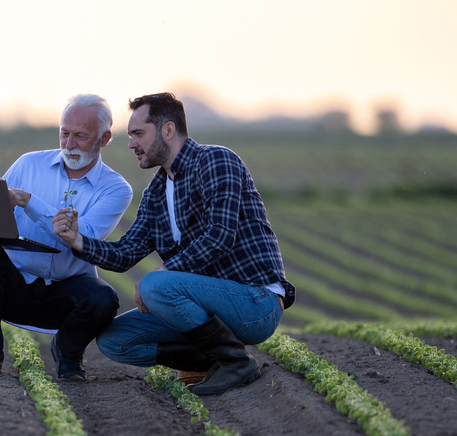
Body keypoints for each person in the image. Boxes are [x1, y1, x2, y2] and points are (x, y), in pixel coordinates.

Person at [53, 92, 295, 396]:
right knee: (114, 340)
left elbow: (220, 236)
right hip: (203, 307)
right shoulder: (156, 192)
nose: (131, 144)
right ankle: (206, 361)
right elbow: (125, 254)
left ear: (168, 130)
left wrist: (163, 273)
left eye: (138, 134)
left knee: (156, 284)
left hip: (253, 302)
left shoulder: (216, 161)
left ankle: (234, 362)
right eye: (130, 135)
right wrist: (77, 240)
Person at [0, 93, 133, 381]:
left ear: (104, 139)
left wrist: (29, 200)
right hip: (14, 287)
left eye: (80, 136)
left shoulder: (115, 189)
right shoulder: (28, 165)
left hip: (65, 292)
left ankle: (68, 355)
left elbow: (86, 238)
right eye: (64, 133)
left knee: (103, 297)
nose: (69, 144)